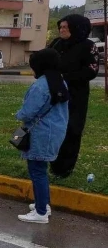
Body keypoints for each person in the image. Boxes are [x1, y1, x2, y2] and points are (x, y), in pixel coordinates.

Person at [15, 48, 69, 224]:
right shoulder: (59, 81)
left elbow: (27, 112)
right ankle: (43, 204)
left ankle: (41, 213)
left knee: (37, 171)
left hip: (41, 133)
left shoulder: (41, 85)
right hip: (55, 131)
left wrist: (19, 115)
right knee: (41, 170)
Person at [47, 14, 99, 178]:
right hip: (54, 93)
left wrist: (65, 77)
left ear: (76, 28)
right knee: (54, 128)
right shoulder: (56, 43)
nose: (62, 30)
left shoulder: (88, 46)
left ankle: (65, 168)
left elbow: (91, 70)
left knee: (72, 130)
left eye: (65, 27)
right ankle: (52, 164)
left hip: (76, 96)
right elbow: (45, 59)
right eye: (60, 27)